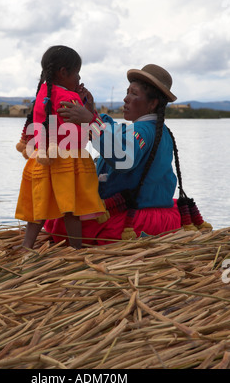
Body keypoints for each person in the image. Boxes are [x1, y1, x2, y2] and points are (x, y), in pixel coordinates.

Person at [44, 63, 211, 245]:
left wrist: (90, 122)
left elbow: (122, 158)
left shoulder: (142, 130)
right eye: (127, 92)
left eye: (133, 94)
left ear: (153, 103)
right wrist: (92, 112)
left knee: (59, 223)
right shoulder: (159, 129)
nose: (125, 99)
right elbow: (116, 134)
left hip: (133, 221)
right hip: (160, 214)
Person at [15, 45, 105, 249]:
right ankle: (76, 248)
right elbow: (83, 132)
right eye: (77, 73)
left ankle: (27, 245)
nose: (79, 79)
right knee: (70, 208)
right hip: (67, 161)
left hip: (41, 158)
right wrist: (89, 110)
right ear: (64, 72)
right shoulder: (68, 98)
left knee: (40, 204)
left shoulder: (42, 96)